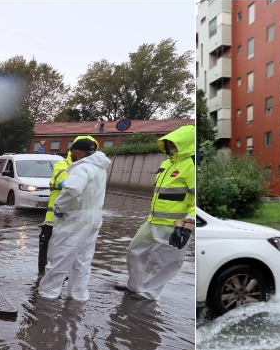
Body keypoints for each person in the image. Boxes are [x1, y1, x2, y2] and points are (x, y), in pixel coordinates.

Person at [115, 124, 195, 301]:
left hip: (175, 225)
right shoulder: (166, 163)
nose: (170, 147)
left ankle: (149, 293)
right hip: (153, 220)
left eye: (174, 143)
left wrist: (190, 222)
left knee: (164, 261)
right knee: (134, 251)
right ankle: (135, 285)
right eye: (168, 143)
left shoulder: (191, 165)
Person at [37, 138, 110, 302]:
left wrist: (60, 208)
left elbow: (72, 190)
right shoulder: (100, 169)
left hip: (75, 218)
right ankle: (78, 295)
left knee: (60, 256)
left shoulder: (82, 168)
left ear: (76, 152)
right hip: (93, 218)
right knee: (83, 260)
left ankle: (48, 294)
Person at [39, 135, 100, 276]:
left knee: (70, 251)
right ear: (75, 151)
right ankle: (42, 277)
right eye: (86, 152)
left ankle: (61, 278)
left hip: (77, 220)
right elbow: (65, 184)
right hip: (53, 219)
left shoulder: (92, 170)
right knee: (47, 248)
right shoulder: (62, 165)